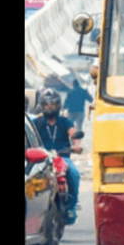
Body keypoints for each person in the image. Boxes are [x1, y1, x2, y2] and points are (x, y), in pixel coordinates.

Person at [33, 88, 83, 225]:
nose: (49, 107)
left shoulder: (65, 122)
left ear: (58, 106)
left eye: (52, 105)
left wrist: (77, 145)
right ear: (41, 106)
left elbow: (73, 133)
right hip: (42, 160)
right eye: (46, 105)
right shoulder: (36, 123)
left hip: (62, 158)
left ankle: (71, 206)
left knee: (73, 174)